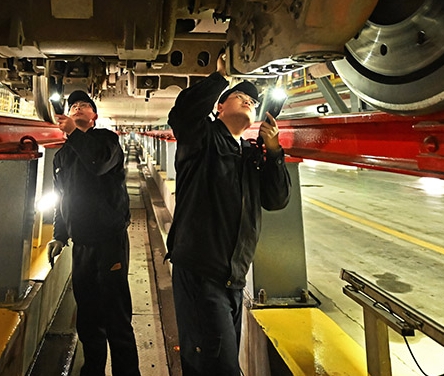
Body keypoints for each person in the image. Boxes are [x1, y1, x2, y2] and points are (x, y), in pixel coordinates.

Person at [165, 54, 291, 376]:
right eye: (240, 96)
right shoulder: (202, 139)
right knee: (219, 368)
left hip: (234, 279)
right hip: (200, 273)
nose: (249, 101)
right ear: (219, 107)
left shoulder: (250, 155)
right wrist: (221, 77)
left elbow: (277, 200)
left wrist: (274, 150)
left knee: (209, 364)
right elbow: (182, 114)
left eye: (253, 101)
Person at [47, 90, 141, 376]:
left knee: (117, 317)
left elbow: (97, 164)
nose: (78, 107)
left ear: (94, 117)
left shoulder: (107, 141)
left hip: (110, 242)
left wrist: (74, 133)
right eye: (73, 105)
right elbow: (63, 197)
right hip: (82, 245)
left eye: (84, 105)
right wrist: (60, 234)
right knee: (88, 319)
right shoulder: (62, 156)